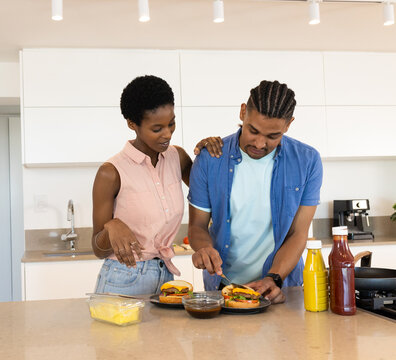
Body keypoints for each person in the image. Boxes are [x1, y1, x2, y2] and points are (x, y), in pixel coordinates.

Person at [187, 80, 323, 304]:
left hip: (281, 289)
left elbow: (299, 233)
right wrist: (204, 249)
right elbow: (197, 225)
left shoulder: (307, 161)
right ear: (243, 112)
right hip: (222, 289)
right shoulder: (211, 158)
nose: (260, 143)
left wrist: (274, 278)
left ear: (289, 125)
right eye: (253, 130)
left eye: (272, 136)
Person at [91, 75, 222, 296]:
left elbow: (212, 192)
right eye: (157, 128)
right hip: (122, 278)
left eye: (171, 123)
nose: (168, 134)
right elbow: (98, 248)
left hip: (165, 278)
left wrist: (210, 155)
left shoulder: (177, 157)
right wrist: (112, 226)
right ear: (133, 124)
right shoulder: (111, 172)